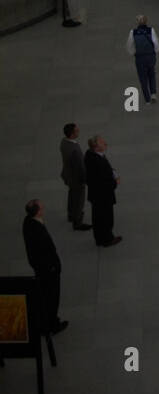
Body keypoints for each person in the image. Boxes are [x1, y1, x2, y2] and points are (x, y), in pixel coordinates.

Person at [22, 199, 67, 335]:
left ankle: (46, 321)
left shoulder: (28, 222)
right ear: (37, 212)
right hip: (48, 269)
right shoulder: (37, 229)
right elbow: (44, 250)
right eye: (41, 207)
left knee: (46, 296)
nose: (44, 208)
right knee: (51, 296)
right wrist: (53, 266)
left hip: (41, 267)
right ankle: (51, 324)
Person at [84, 135, 122, 247]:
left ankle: (100, 239)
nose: (105, 143)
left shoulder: (90, 155)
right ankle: (107, 239)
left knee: (98, 218)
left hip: (96, 195)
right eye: (102, 143)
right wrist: (116, 182)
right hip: (103, 197)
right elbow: (103, 183)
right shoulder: (97, 162)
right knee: (106, 219)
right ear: (96, 147)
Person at [125, 13, 159, 105]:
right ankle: (153, 94)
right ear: (146, 21)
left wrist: (134, 53)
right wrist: (155, 51)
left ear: (137, 23)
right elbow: (156, 43)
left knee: (143, 78)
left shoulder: (133, 32)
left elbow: (129, 46)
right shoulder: (151, 30)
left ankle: (147, 99)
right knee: (151, 74)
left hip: (140, 58)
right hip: (150, 56)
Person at [59, 123, 90, 230]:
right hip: (76, 180)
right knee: (79, 201)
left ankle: (71, 215)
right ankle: (77, 223)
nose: (78, 131)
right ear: (72, 134)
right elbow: (80, 168)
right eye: (76, 130)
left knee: (72, 196)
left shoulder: (64, 142)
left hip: (69, 176)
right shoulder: (74, 150)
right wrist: (86, 180)